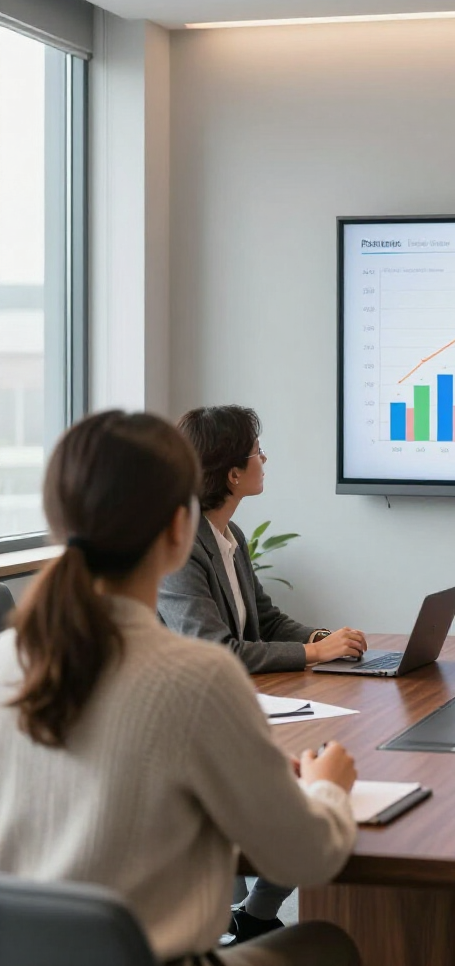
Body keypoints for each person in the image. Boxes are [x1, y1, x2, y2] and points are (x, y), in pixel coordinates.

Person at [0, 410, 361, 966]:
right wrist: (326, 788)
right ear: (177, 528)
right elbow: (306, 859)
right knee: (327, 942)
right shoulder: (197, 678)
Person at [158, 405, 367, 943]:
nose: (264, 458)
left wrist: (321, 640)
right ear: (232, 474)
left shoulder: (229, 535)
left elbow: (266, 617)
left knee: (303, 776)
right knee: (297, 792)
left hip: (251, 702)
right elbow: (216, 648)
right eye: (256, 452)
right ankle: (242, 916)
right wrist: (312, 659)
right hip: (205, 715)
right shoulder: (182, 549)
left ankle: (249, 916)